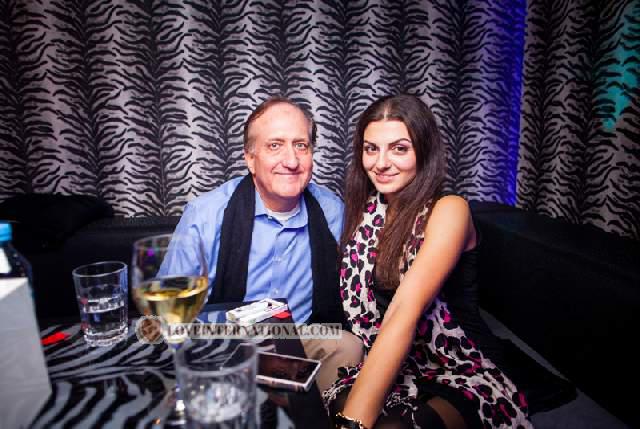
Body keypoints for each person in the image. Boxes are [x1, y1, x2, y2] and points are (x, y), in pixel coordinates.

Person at [324, 94, 532, 429]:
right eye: (371, 148)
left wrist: (352, 425)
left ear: (424, 150)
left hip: (463, 364)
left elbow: (404, 310)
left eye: (399, 148)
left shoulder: (449, 209)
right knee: (334, 404)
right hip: (403, 362)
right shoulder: (367, 211)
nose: (381, 162)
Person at [164, 96, 363, 392]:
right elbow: (168, 310)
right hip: (224, 340)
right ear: (250, 158)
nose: (291, 161)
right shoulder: (205, 215)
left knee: (348, 345)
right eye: (275, 145)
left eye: (301, 145)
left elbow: (365, 286)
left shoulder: (332, 212)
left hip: (298, 339)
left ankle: (317, 412)